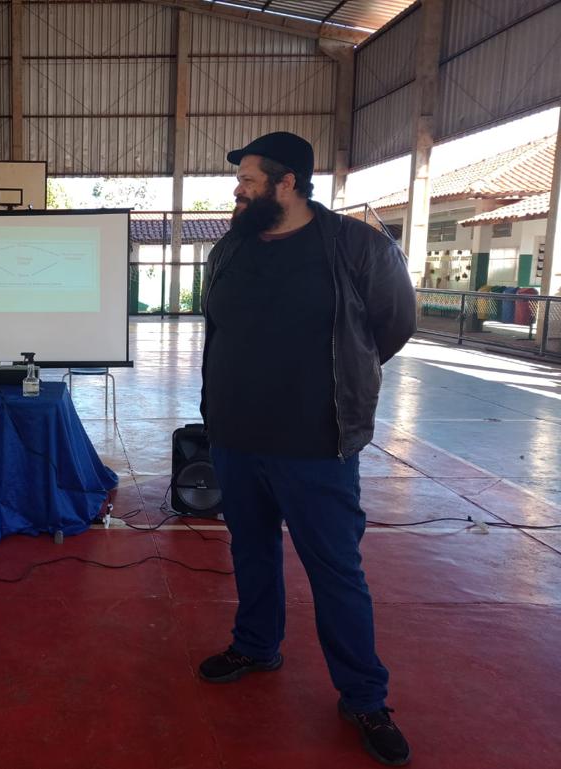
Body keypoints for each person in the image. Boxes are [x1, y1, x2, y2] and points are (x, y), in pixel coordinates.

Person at [198, 132, 416, 766]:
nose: (238, 189)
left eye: (249, 178)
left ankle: (364, 697)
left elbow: (392, 325)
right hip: (237, 437)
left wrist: (335, 386)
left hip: (317, 444)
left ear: (287, 181)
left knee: (336, 572)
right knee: (251, 549)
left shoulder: (356, 247)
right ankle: (257, 645)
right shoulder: (232, 248)